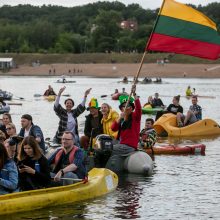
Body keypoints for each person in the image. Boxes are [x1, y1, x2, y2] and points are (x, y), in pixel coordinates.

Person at [111, 85, 141, 155]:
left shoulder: (135, 116)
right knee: (105, 143)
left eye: (128, 106)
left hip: (129, 146)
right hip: (121, 143)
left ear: (131, 108)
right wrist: (119, 119)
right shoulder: (121, 118)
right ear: (121, 109)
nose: (126, 108)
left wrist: (134, 94)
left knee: (108, 148)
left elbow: (139, 108)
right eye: (123, 106)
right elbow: (113, 128)